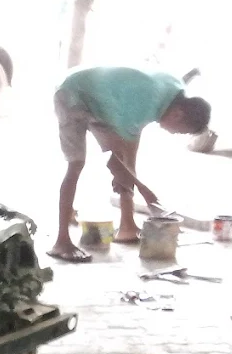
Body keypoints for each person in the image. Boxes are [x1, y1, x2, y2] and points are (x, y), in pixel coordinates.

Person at [49, 66, 211, 262]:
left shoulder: (175, 92)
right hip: (72, 93)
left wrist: (133, 182)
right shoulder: (140, 107)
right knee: (76, 165)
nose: (174, 133)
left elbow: (120, 160)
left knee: (125, 163)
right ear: (177, 114)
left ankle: (128, 227)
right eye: (178, 131)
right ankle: (61, 242)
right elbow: (111, 158)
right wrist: (147, 193)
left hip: (99, 98)